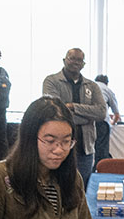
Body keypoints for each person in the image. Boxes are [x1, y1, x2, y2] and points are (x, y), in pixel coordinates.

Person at [42, 48, 106, 186]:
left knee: (82, 189)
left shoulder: (92, 86)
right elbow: (54, 111)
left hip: (85, 149)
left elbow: (101, 113)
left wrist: (72, 107)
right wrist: (87, 118)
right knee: (57, 187)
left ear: (83, 64)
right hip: (57, 147)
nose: (75, 62)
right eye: (72, 58)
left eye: (79, 60)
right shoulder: (51, 81)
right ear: (64, 60)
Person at [93, 73, 121, 167]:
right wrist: (112, 122)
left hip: (88, 122)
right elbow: (117, 114)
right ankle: (100, 170)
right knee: (101, 150)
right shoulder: (107, 90)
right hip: (101, 122)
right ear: (107, 83)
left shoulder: (89, 88)